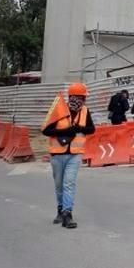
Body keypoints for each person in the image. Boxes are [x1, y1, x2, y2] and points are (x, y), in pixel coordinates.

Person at [42, 83, 95, 229]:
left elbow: (91, 129)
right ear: (74, 97)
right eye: (82, 97)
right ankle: (60, 209)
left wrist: (79, 129)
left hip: (75, 154)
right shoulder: (59, 109)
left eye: (84, 98)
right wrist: (65, 131)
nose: (83, 100)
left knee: (69, 184)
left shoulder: (85, 111)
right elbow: (46, 130)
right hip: (57, 154)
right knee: (59, 185)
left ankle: (67, 213)